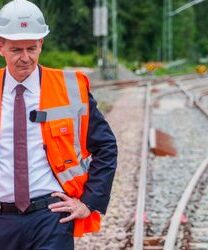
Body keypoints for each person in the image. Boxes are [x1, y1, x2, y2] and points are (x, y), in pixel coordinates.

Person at [0, 0, 118, 249]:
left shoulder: (71, 88)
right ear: (1, 46)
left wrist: (89, 202)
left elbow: (106, 146)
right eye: (16, 50)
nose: (25, 58)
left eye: (32, 48)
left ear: (41, 44)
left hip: (51, 217)